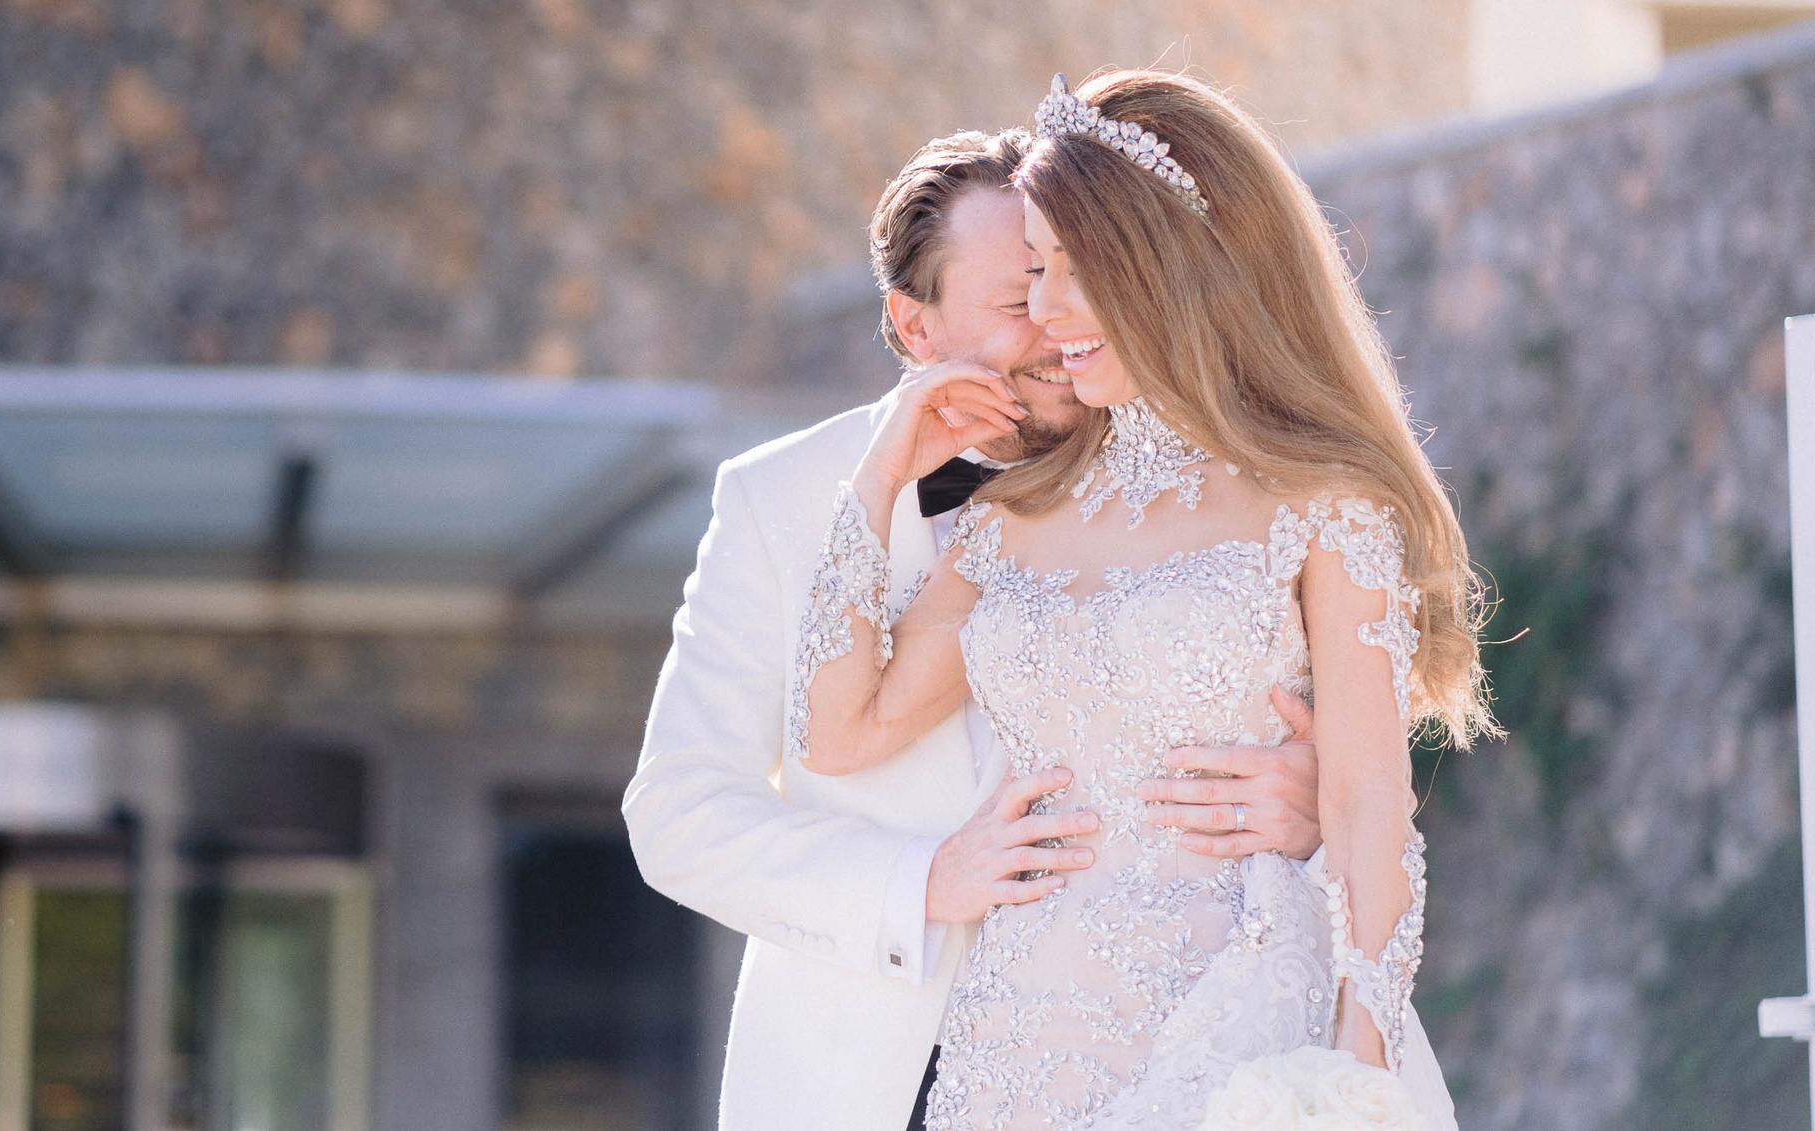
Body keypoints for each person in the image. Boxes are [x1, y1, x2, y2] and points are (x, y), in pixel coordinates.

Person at [795, 70, 1491, 1130]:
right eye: (1034, 270)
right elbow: (838, 730)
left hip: (1232, 1036)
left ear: (1170, 267)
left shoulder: (1322, 504)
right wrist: (881, 469)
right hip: (1009, 1056)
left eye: (1076, 270)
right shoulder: (1009, 515)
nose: (1045, 310)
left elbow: (1364, 808)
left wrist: (1355, 1080)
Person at [623, 125, 1337, 1131]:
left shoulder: (1209, 474)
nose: (1056, 324)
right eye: (1017, 300)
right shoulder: (776, 501)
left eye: (1068, 277)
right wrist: (918, 883)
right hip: (871, 1079)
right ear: (913, 329)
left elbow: (1361, 722)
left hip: (1181, 1053)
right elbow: (677, 815)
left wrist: (1318, 807)